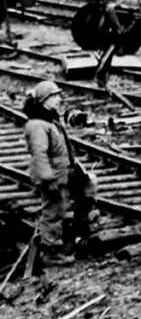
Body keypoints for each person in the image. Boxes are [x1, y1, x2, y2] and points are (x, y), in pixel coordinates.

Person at [23, 81, 94, 266]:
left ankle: (77, 233)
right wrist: (47, 179)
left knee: (88, 192)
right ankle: (51, 252)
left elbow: (62, 147)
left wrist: (77, 167)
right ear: (44, 100)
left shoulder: (51, 118)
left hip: (67, 170)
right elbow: (38, 154)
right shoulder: (38, 124)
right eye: (54, 96)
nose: (59, 99)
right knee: (53, 211)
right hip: (53, 175)